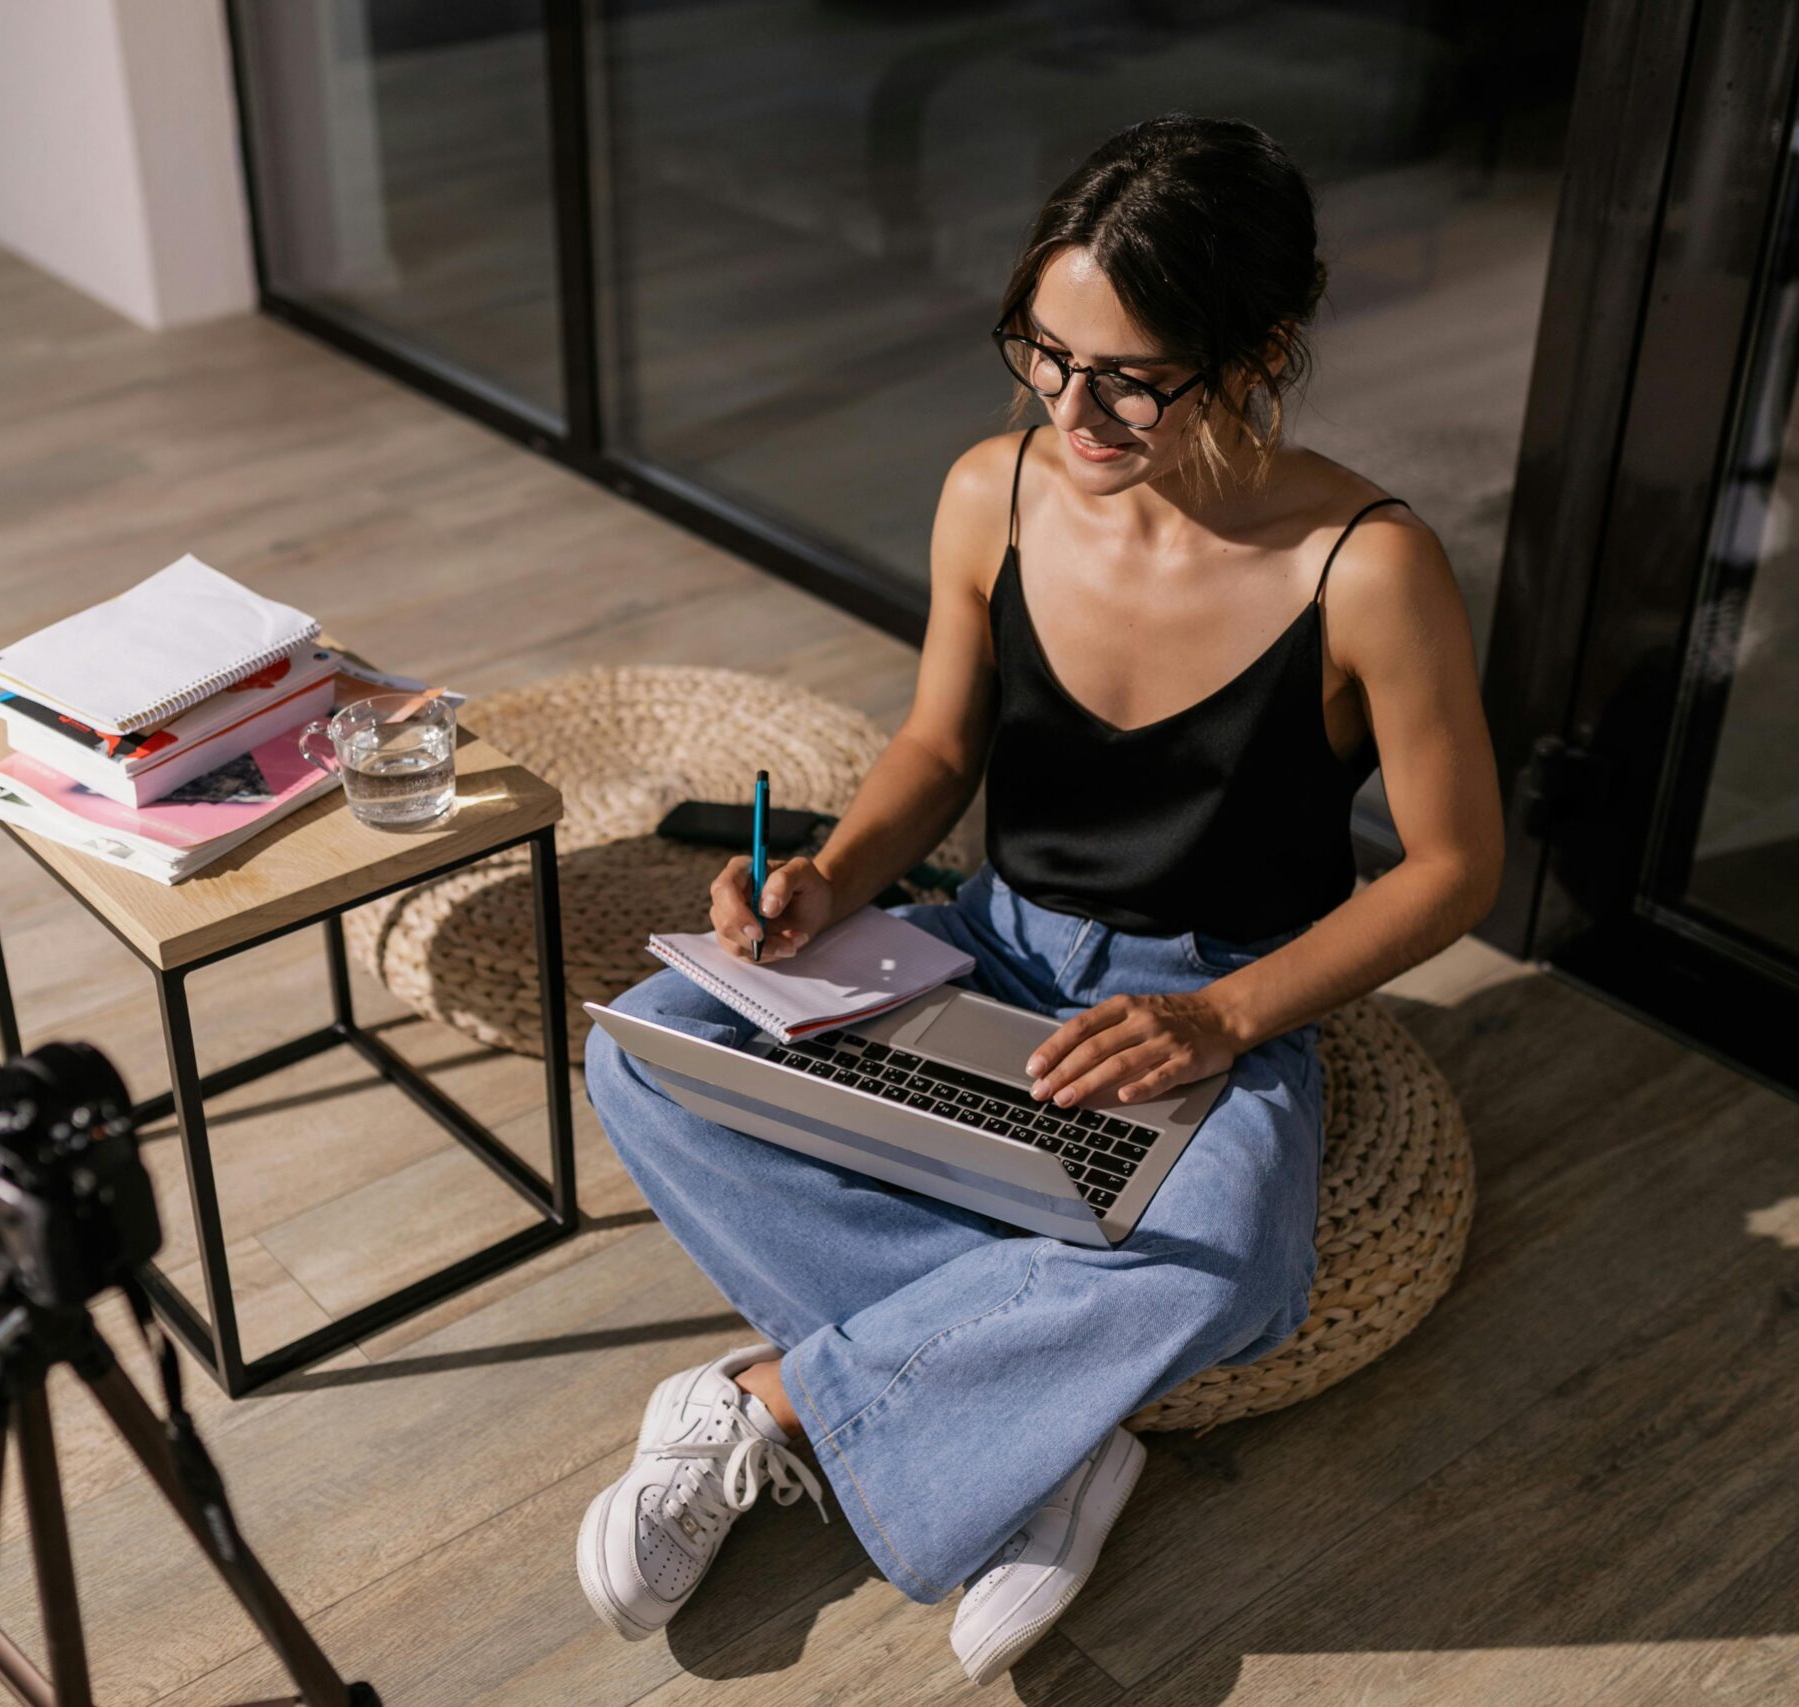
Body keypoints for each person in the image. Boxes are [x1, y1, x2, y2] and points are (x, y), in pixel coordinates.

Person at [575, 113, 1504, 1685]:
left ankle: (774, 1402)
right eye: (1045, 355)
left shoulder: (1367, 568)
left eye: (1134, 374)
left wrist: (1221, 1015)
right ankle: (1047, 1439)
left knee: (1236, 1260)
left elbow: (1456, 865)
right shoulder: (987, 493)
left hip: (1208, 1006)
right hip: (990, 942)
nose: (1074, 409)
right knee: (646, 1049)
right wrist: (825, 883)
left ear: (1261, 349)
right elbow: (939, 747)